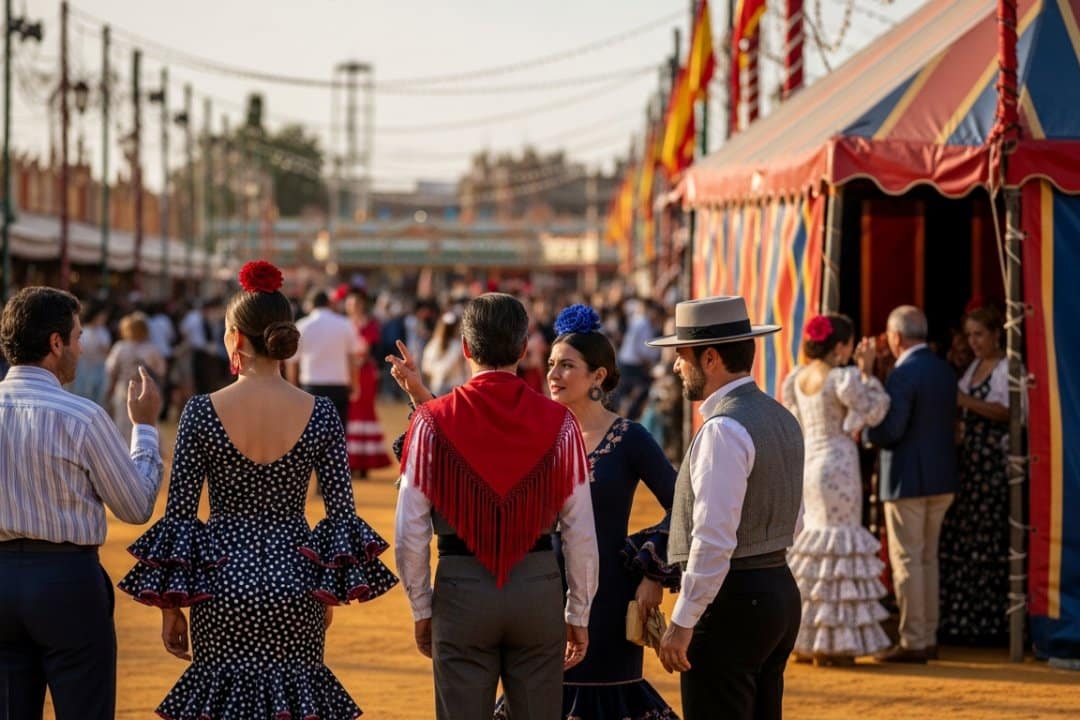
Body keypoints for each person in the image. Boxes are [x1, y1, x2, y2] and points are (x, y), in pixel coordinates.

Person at [118, 260, 398, 719]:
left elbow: (181, 516)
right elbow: (341, 513)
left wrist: (171, 609)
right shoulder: (322, 412)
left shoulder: (201, 412)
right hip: (297, 579)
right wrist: (325, 588)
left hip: (221, 584)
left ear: (234, 338)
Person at [392, 293, 600, 720]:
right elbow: (580, 529)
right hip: (538, 585)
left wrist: (422, 607)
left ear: (466, 349)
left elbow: (409, 530)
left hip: (460, 589)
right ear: (524, 349)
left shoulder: (431, 422)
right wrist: (578, 610)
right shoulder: (562, 425)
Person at [0, 286, 164, 720]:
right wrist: (144, 429)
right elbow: (134, 505)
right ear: (55, 343)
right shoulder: (81, 416)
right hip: (67, 580)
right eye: (75, 337)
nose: (80, 346)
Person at [652, 295, 803, 720]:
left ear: (711, 358)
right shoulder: (780, 416)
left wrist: (683, 621)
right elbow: (797, 514)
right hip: (776, 589)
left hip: (733, 600)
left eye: (682, 355)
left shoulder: (724, 429)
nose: (677, 366)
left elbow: (714, 539)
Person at [539, 304, 680, 719]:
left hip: (610, 594)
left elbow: (683, 508)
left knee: (606, 693)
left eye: (567, 365)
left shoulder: (630, 437)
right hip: (542, 590)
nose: (553, 374)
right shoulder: (540, 434)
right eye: (551, 364)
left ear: (598, 376)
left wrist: (652, 572)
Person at [782, 314, 891, 666]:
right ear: (841, 346)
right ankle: (834, 643)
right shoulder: (842, 378)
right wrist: (867, 371)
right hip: (839, 464)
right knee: (838, 549)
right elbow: (876, 408)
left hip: (810, 463)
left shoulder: (797, 378)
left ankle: (807, 637)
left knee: (814, 548)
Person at [866, 305, 957, 663]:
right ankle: (927, 634)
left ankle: (914, 639)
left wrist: (868, 431)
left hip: (907, 480)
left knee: (907, 561)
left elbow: (891, 430)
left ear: (897, 337)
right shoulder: (942, 368)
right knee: (927, 559)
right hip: (942, 477)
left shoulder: (904, 374)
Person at [938, 303, 1010, 645]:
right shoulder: (975, 367)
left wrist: (964, 402)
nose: (974, 341)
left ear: (997, 333)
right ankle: (965, 623)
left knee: (989, 540)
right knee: (966, 540)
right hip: (969, 464)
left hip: (992, 467)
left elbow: (1005, 411)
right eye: (970, 335)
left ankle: (991, 626)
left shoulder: (1006, 367)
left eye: (979, 334)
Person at [287, 288, 359, 430]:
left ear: (311, 305)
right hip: (339, 387)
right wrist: (355, 385)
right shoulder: (344, 324)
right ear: (329, 304)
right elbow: (352, 358)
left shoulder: (302, 326)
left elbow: (293, 362)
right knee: (338, 433)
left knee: (311, 434)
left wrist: (292, 389)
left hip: (311, 387)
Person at [343, 289, 392, 476]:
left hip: (364, 373)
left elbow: (368, 351)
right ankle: (353, 461)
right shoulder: (344, 324)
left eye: (355, 303)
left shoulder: (369, 325)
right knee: (352, 415)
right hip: (349, 373)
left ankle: (363, 462)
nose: (352, 307)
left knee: (364, 414)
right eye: (350, 303)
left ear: (362, 305)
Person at [105, 312, 167, 443]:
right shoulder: (151, 349)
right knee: (148, 422)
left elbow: (110, 370)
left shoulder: (120, 347)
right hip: (146, 389)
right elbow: (161, 370)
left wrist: (110, 388)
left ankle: (124, 455)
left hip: (125, 389)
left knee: (123, 422)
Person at [70, 301, 111, 407]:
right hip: (83, 367)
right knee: (82, 396)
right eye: (102, 315)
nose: (104, 317)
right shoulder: (83, 331)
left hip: (99, 367)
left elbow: (107, 351)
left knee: (98, 398)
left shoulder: (103, 331)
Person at [421, 309, 469, 396]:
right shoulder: (457, 346)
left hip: (439, 386)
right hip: (455, 387)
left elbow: (426, 368)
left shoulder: (433, 344)